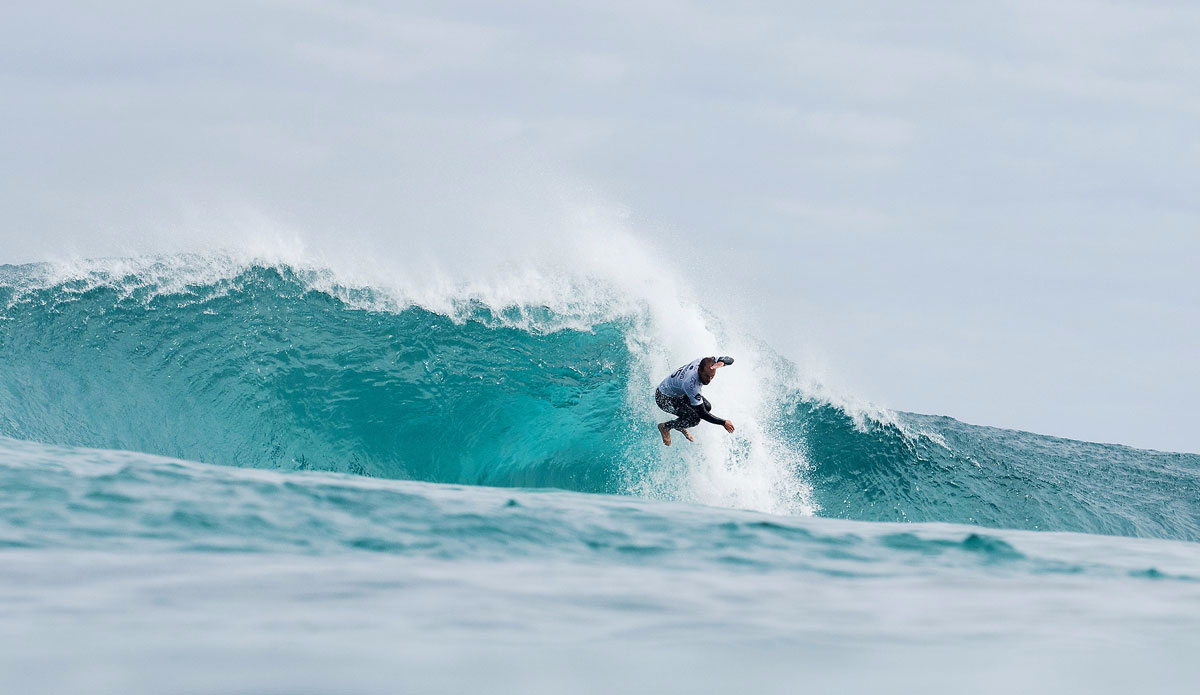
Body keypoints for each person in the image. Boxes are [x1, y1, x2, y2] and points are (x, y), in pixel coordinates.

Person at [654, 355, 736, 446]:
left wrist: (722, 362)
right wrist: (723, 423)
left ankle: (680, 424)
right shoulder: (691, 384)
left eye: (712, 377)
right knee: (694, 420)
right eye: (706, 376)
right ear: (699, 370)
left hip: (678, 393)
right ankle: (665, 427)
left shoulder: (705, 362)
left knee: (707, 407)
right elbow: (702, 413)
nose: (709, 380)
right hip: (663, 399)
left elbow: (730, 360)